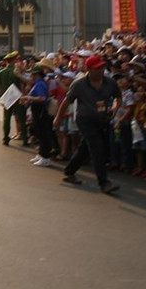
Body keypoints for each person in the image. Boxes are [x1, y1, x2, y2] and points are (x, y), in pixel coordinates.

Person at [52, 55, 121, 194]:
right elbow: (66, 101)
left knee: (85, 147)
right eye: (97, 68)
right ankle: (104, 182)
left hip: (102, 119)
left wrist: (114, 108)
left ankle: (70, 171)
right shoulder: (79, 84)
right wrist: (58, 117)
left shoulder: (110, 82)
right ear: (88, 69)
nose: (101, 70)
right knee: (96, 148)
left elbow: (118, 97)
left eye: (102, 67)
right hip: (85, 120)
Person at [20, 65, 53, 167]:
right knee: (39, 132)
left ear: (37, 74)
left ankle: (45, 157)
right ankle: (41, 154)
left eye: (33, 74)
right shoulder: (38, 83)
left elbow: (42, 98)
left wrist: (29, 98)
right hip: (36, 110)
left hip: (41, 110)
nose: (31, 76)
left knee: (43, 134)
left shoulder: (40, 84)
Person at [0, 52, 28, 146]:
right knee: (22, 119)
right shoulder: (17, 71)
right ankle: (25, 138)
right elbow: (22, 85)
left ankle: (5, 138)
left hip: (7, 97)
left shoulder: (1, 73)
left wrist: (2, 98)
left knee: (7, 119)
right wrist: (23, 97)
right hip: (17, 96)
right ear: (14, 60)